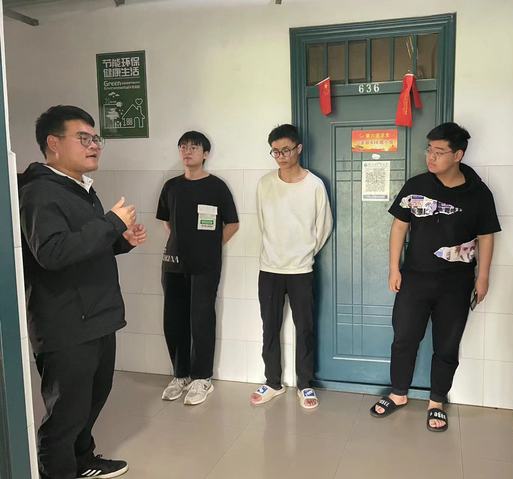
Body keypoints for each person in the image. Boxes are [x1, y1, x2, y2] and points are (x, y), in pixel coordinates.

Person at [19, 105, 145, 479]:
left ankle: (83, 460)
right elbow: (52, 252)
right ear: (53, 143)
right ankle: (56, 471)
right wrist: (110, 223)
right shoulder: (39, 192)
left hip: (96, 316)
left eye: (96, 138)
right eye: (84, 138)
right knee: (66, 413)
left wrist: (121, 240)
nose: (94, 145)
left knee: (91, 400)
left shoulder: (80, 189)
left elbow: (83, 246)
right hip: (65, 323)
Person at [369, 122, 500, 432]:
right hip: (415, 278)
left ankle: (437, 401)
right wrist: (394, 267)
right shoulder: (416, 185)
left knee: (447, 343)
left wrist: (483, 277)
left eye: (439, 152)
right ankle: (398, 393)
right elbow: (399, 226)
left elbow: (486, 236)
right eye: (429, 149)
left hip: (456, 282)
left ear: (458, 155)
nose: (431, 156)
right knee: (404, 338)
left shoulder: (478, 192)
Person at [249, 124, 333, 409]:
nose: (281, 156)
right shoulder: (265, 184)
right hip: (269, 268)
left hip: (301, 270)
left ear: (299, 149)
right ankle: (273, 382)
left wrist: (304, 253)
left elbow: (324, 226)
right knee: (269, 328)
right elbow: (262, 222)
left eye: (286, 150)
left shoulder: (314, 185)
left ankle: (305, 385)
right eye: (275, 151)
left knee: (305, 328)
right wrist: (276, 250)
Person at [156, 131, 239, 406]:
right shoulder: (171, 186)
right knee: (173, 320)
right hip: (173, 263)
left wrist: (210, 246)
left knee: (201, 319)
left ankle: (202, 377)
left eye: (193, 147)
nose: (187, 151)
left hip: (205, 265)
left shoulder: (217, 187)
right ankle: (180, 375)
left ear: (205, 154)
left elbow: (233, 223)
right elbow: (167, 222)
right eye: (183, 147)